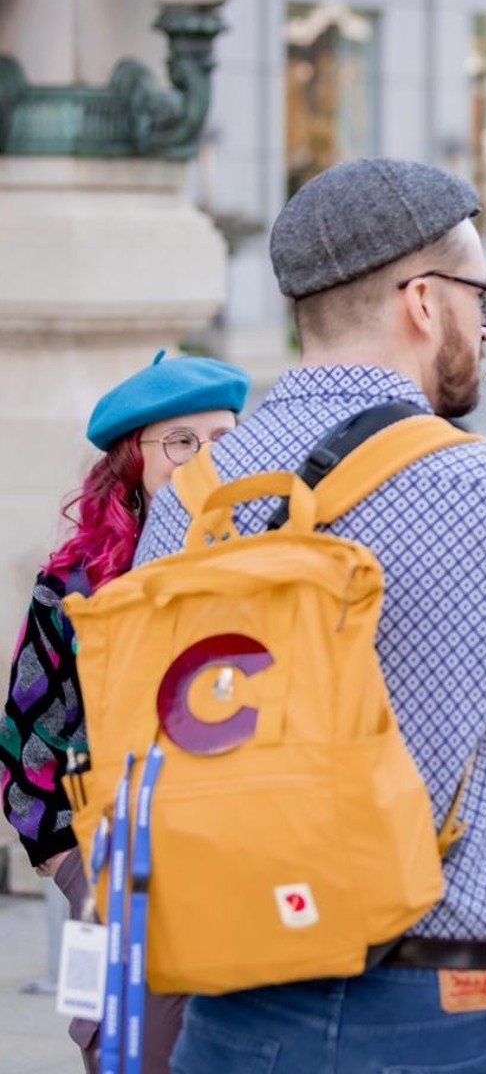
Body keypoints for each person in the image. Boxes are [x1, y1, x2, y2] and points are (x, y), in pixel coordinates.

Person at [133, 157, 486, 1074]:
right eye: (481, 299)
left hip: (234, 988)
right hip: (439, 994)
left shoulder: (192, 494)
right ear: (423, 300)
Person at [1, 350, 251, 1074]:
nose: (204, 458)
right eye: (181, 441)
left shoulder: (270, 563)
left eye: (222, 438)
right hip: (121, 877)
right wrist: (76, 870)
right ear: (131, 460)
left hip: (247, 866)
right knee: (131, 1054)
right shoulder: (73, 587)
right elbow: (27, 741)